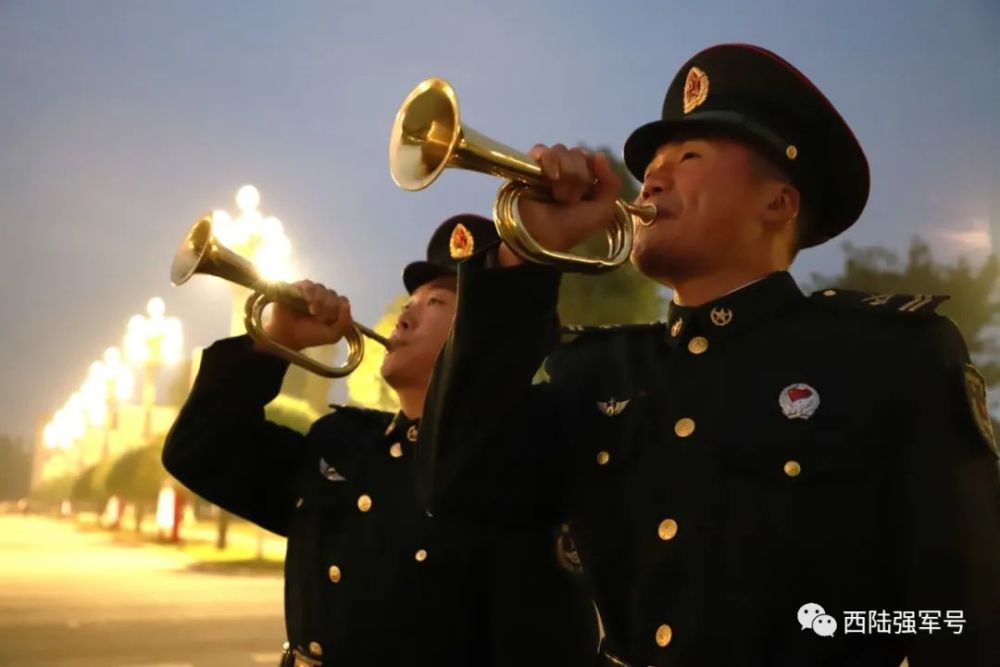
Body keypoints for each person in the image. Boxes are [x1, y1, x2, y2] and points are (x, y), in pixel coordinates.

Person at [415, 44, 1000, 666]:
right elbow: (457, 484)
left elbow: (961, 617)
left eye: (689, 157)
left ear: (778, 203)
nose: (654, 179)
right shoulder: (595, 371)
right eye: (653, 166)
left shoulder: (889, 353)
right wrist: (522, 261)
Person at [162, 214, 597, 667]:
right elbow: (198, 451)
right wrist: (273, 343)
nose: (405, 315)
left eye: (437, 302)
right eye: (412, 299)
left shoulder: (520, 463)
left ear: (486, 335)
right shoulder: (344, 443)